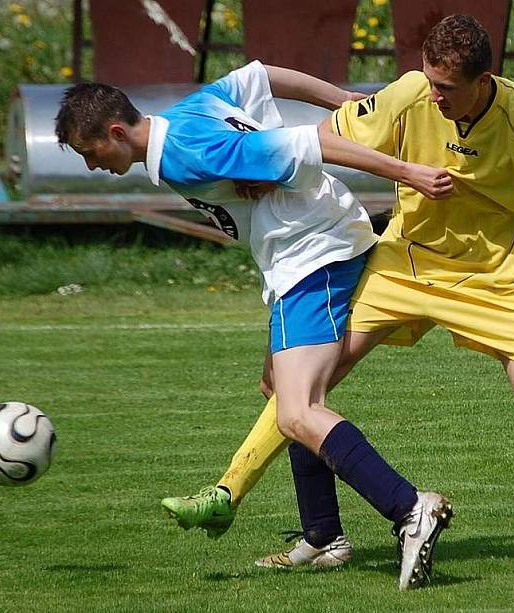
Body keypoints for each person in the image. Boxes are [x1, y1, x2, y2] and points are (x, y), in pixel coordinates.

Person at [169, 15, 514, 579]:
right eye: (427, 79)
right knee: (306, 379)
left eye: (445, 87)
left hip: (498, 279)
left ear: (483, 81)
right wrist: (263, 166)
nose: (431, 94)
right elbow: (326, 134)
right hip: (406, 264)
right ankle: (235, 494)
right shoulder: (413, 93)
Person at [54, 60, 454, 591]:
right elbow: (264, 75)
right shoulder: (189, 112)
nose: (91, 166)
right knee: (279, 390)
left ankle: (410, 510)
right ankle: (322, 536)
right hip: (304, 251)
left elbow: (311, 146)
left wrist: (408, 173)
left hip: (314, 254)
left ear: (116, 132)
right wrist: (342, 97)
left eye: (90, 153)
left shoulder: (186, 153)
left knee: (297, 412)